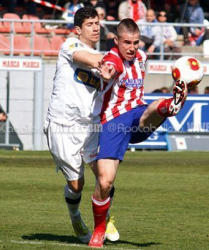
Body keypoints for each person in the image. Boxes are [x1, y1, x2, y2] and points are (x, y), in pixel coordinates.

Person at [88, 18, 189, 248]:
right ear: (116, 40)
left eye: (136, 42)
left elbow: (138, 80)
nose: (132, 47)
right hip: (113, 122)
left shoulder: (142, 57)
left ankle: (170, 106)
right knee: (105, 182)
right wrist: (105, 75)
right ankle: (99, 228)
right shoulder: (113, 58)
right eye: (127, 42)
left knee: (154, 106)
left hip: (138, 116)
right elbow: (110, 68)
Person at [43, 7, 119, 245]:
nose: (95, 27)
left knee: (106, 176)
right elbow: (91, 59)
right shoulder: (70, 46)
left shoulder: (104, 58)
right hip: (63, 124)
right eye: (89, 24)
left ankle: (105, 220)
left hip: (91, 127)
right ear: (78, 29)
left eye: (97, 23)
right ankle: (75, 217)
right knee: (77, 184)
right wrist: (114, 61)